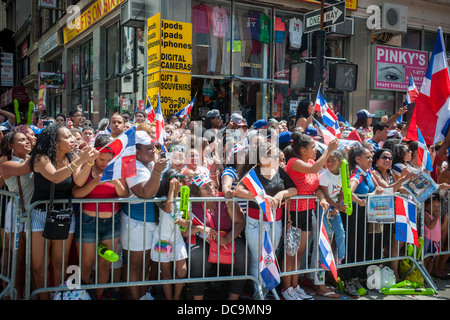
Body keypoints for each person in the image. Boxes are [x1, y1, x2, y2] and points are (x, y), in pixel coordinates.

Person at [28, 123, 98, 300]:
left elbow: (79, 182)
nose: (73, 139)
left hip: (65, 215)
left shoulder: (72, 156)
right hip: (39, 215)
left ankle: (57, 297)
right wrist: (80, 161)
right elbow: (55, 177)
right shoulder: (40, 158)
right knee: (39, 266)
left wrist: (88, 161)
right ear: (55, 142)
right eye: (67, 137)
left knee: (60, 263)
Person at [235, 142, 297, 298]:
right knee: (257, 257)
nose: (276, 158)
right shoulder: (254, 172)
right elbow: (239, 190)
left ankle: (266, 287)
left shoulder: (280, 172)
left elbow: (294, 189)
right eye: (273, 155)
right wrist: (260, 197)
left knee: (271, 255)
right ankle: (259, 290)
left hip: (275, 220)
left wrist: (281, 194)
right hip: (256, 221)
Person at [283, 132, 339, 300]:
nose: (316, 150)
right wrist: (328, 150)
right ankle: (287, 289)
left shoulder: (310, 162)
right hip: (293, 213)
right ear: (302, 150)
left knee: (300, 253)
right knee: (290, 253)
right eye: (313, 147)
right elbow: (314, 169)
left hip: (308, 211)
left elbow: (316, 187)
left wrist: (322, 199)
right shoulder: (294, 162)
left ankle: (295, 286)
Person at [72, 134, 128, 300]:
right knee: (87, 265)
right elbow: (76, 193)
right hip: (88, 221)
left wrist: (114, 178)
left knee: (105, 264)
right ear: (95, 154)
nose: (104, 163)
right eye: (101, 159)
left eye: (108, 160)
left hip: (112, 222)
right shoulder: (87, 165)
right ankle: (83, 296)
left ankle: (98, 296)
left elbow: (124, 193)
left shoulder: (117, 167)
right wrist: (95, 182)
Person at [120, 130, 168, 300]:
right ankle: (135, 297)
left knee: (146, 263)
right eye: (148, 148)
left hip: (149, 221)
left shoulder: (147, 164)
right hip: (135, 222)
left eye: (153, 148)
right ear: (136, 152)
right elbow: (145, 193)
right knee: (135, 264)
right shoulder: (131, 165)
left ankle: (143, 295)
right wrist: (157, 171)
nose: (153, 151)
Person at [186, 175, 248, 300]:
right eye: (205, 187)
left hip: (228, 235)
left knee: (243, 256)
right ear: (197, 193)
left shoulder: (226, 200)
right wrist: (199, 229)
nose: (211, 189)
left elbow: (240, 222)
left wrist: (228, 239)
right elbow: (184, 231)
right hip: (203, 239)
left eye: (210, 184)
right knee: (197, 258)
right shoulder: (191, 206)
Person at [344, 145, 383, 298]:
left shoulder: (366, 173)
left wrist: (375, 192)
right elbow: (347, 190)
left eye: (370, 156)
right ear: (357, 159)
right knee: (351, 248)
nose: (371, 159)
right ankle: (348, 281)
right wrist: (359, 201)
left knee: (360, 247)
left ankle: (355, 278)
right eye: (367, 157)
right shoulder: (356, 174)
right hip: (353, 215)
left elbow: (368, 191)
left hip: (363, 215)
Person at [0, 131, 34, 299]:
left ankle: (28, 293)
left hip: (35, 215)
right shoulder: (7, 164)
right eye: (22, 140)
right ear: (11, 146)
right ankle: (14, 295)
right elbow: (28, 167)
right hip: (17, 215)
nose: (27, 141)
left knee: (31, 261)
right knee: (17, 259)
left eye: (28, 139)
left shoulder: (33, 158)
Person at [151, 169, 188, 300]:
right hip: (163, 239)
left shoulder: (184, 198)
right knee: (166, 274)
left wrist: (185, 223)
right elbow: (169, 209)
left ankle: (176, 297)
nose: (178, 181)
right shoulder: (161, 198)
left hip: (177, 238)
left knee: (182, 272)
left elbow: (188, 223)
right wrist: (171, 190)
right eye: (175, 178)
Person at [317, 149, 347, 295]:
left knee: (340, 232)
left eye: (332, 161)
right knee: (325, 237)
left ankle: (340, 257)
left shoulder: (342, 174)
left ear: (340, 163)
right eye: (327, 160)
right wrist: (337, 206)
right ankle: (324, 261)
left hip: (334, 208)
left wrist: (338, 206)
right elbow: (326, 195)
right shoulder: (324, 175)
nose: (329, 163)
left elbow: (342, 192)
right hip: (324, 208)